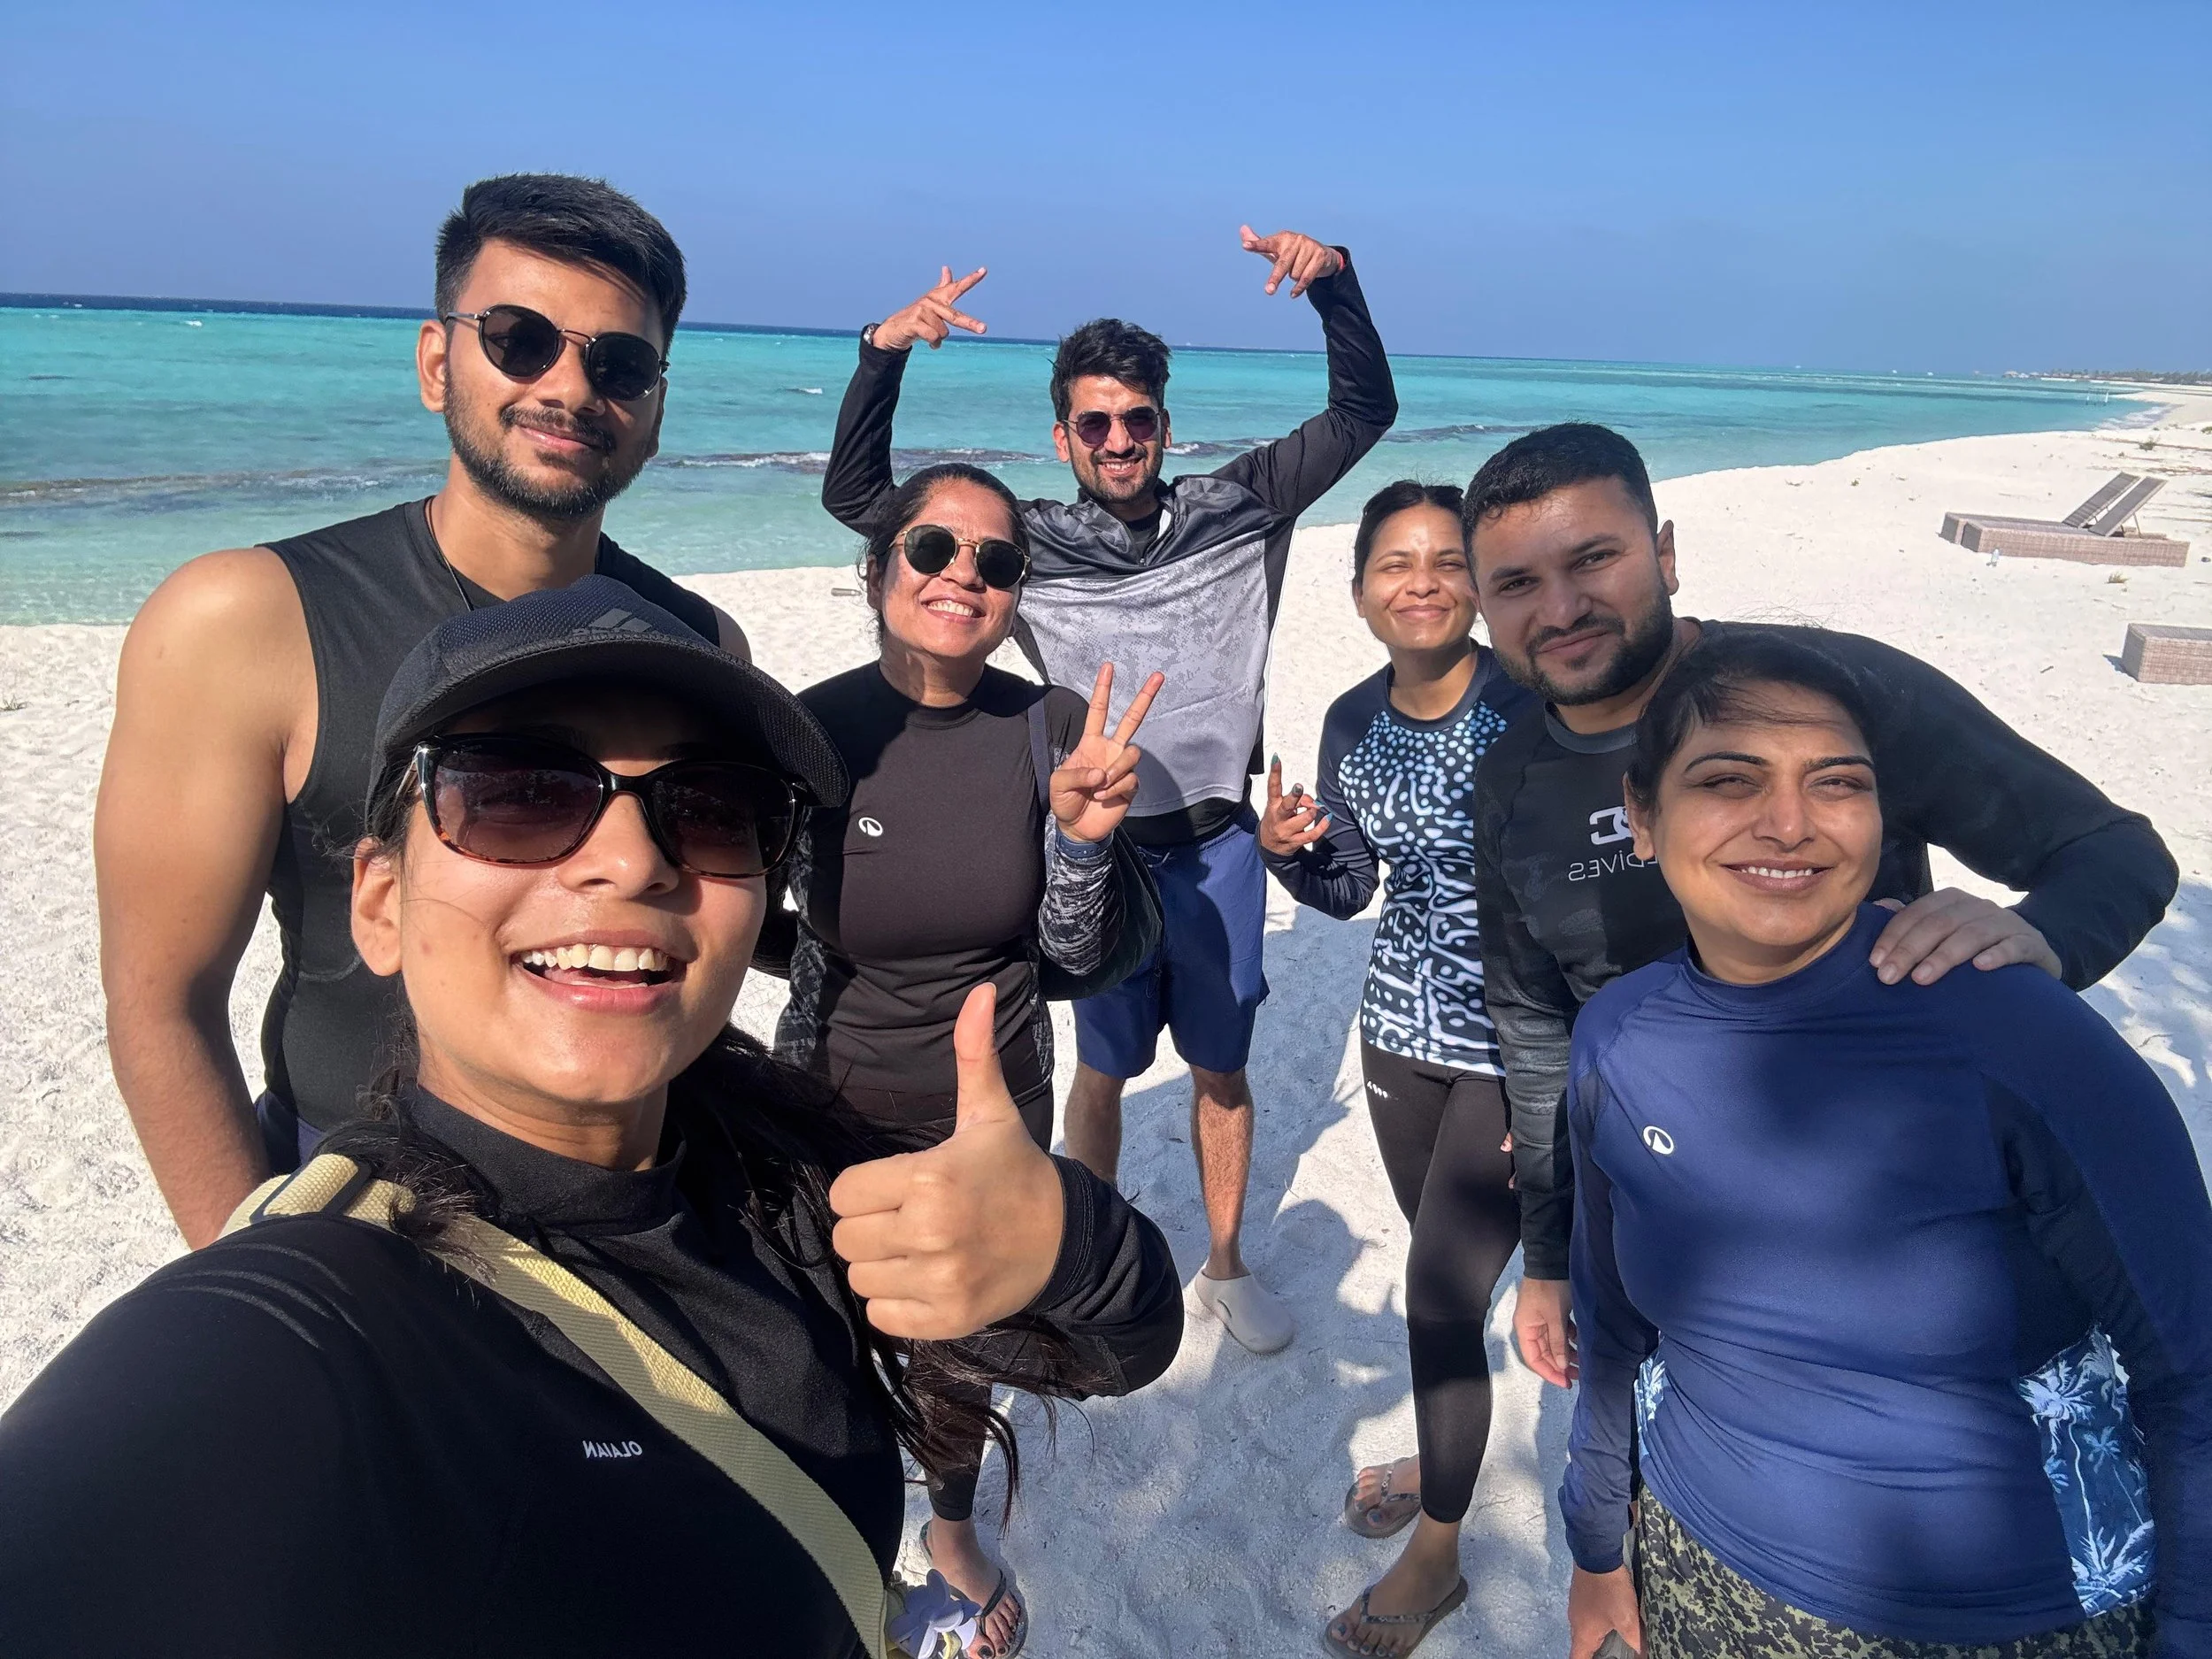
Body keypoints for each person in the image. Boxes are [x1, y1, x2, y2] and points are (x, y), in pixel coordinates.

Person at [1, 577, 1183, 1659]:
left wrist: (1070, 1232)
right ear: (378, 900)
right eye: (518, 790)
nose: (629, 858)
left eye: (710, 806)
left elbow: (1132, 1341)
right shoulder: (318, 1317)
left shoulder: (773, 1168)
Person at [98, 173, 757, 1251]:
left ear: (654, 407)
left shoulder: (697, 650)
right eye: (519, 338)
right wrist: (258, 1277)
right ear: (435, 361)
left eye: (620, 362)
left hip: (631, 1200)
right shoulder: (246, 621)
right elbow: (162, 1004)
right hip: (357, 1195)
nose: (570, 386)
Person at [1464, 423, 2181, 1392]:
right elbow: (1537, 1030)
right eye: (1516, 583)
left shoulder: (1826, 692)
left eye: (1594, 558)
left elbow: (2113, 854)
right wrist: (1547, 1258)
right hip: (1670, 1214)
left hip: (1900, 1212)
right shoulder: (1508, 778)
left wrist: (2043, 937)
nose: (1561, 607)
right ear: (1481, 604)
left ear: (1664, 553)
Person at [1558, 628, 2210, 1659]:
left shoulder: (2012, 1033)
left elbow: (2192, 1373)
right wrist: (1597, 1545)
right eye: (1728, 779)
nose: (1789, 824)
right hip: (1695, 1561)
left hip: (1997, 1615)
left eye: (1838, 784)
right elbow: (1612, 1321)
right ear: (1641, 816)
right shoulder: (1615, 1037)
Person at [822, 228, 1398, 1353]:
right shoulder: (1026, 549)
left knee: (1220, 1071)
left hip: (1224, 845)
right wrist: (882, 352)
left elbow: (1361, 413)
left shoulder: (1242, 505)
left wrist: (1336, 286)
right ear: (1064, 437)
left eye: (1139, 420)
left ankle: (1225, 1266)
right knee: (1102, 1067)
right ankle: (1080, 1253)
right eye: (1096, 423)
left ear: (1164, 427)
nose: (1120, 440)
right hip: (1097, 855)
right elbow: (862, 503)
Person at [766, 460, 1164, 1655]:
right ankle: (831, 1520)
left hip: (991, 1099)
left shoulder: (1045, 727)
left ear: (1015, 590)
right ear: (882, 564)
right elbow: (743, 913)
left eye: (995, 561)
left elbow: (1069, 952)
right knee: (819, 1323)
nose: (962, 577)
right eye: (933, 548)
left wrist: (1086, 839)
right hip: (825, 1086)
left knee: (959, 1338)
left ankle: (946, 1528)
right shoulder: (809, 729)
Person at [1257, 480, 1535, 1654]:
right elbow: (1353, 885)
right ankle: (1444, 1445)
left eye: (1445, 559)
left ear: (1477, 582)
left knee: (1436, 1289)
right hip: (1400, 1032)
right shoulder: (1350, 716)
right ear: (1360, 586)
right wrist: (1289, 856)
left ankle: (1436, 1555)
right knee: (1450, 1288)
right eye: (1394, 562)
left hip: (1520, 1045)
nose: (1419, 579)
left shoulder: (1531, 703)